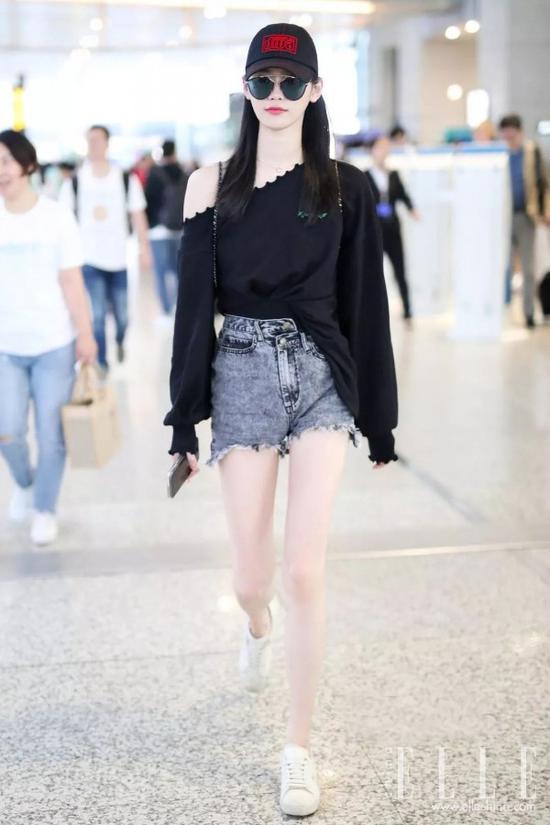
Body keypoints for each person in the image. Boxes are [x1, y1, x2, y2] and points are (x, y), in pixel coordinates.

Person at [164, 23, 398, 817]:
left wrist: (381, 419)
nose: (275, 95)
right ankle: (255, 626)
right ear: (244, 88)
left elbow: (366, 305)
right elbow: (192, 312)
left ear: (316, 91)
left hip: (322, 374)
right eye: (261, 81)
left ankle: (298, 748)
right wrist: (183, 422)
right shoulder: (210, 186)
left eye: (290, 83)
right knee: (251, 580)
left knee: (304, 570)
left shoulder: (347, 187)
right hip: (242, 372)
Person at [0, 130, 97, 545]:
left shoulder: (55, 217)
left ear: (27, 165)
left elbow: (72, 281)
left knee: (51, 434)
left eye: (6, 161)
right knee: (7, 431)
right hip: (6, 347)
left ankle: (44, 508)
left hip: (53, 344)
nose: (1, 171)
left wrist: (86, 335)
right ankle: (25, 483)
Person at [59, 125, 151, 371]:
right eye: (90, 140)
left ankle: (120, 340)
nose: (94, 145)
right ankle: (102, 361)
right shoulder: (76, 181)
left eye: (99, 140)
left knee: (123, 316)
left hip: (118, 257)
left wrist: (144, 248)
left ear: (107, 144)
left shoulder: (124, 178)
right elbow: (63, 222)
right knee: (97, 314)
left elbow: (137, 214)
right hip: (88, 258)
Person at [499, 113, 550, 328]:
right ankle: (502, 310)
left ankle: (528, 313)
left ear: (518, 131)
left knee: (529, 267)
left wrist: (545, 211)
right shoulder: (499, 154)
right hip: (502, 217)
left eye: (511, 131)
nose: (508, 136)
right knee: (503, 265)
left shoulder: (531, 151)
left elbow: (544, 182)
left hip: (526, 215)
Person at [365, 134, 420, 322]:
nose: (384, 151)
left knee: (400, 270)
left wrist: (413, 210)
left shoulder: (393, 174)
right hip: (374, 231)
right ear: (372, 150)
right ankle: (372, 309)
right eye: (380, 147)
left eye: (386, 147)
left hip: (393, 228)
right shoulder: (365, 176)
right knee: (373, 270)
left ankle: (407, 309)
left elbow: (403, 195)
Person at [145, 139, 188, 315]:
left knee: (160, 271)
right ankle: (180, 306)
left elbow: (147, 202)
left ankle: (165, 309)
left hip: (158, 230)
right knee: (179, 270)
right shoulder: (184, 173)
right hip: (180, 228)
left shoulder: (154, 174)